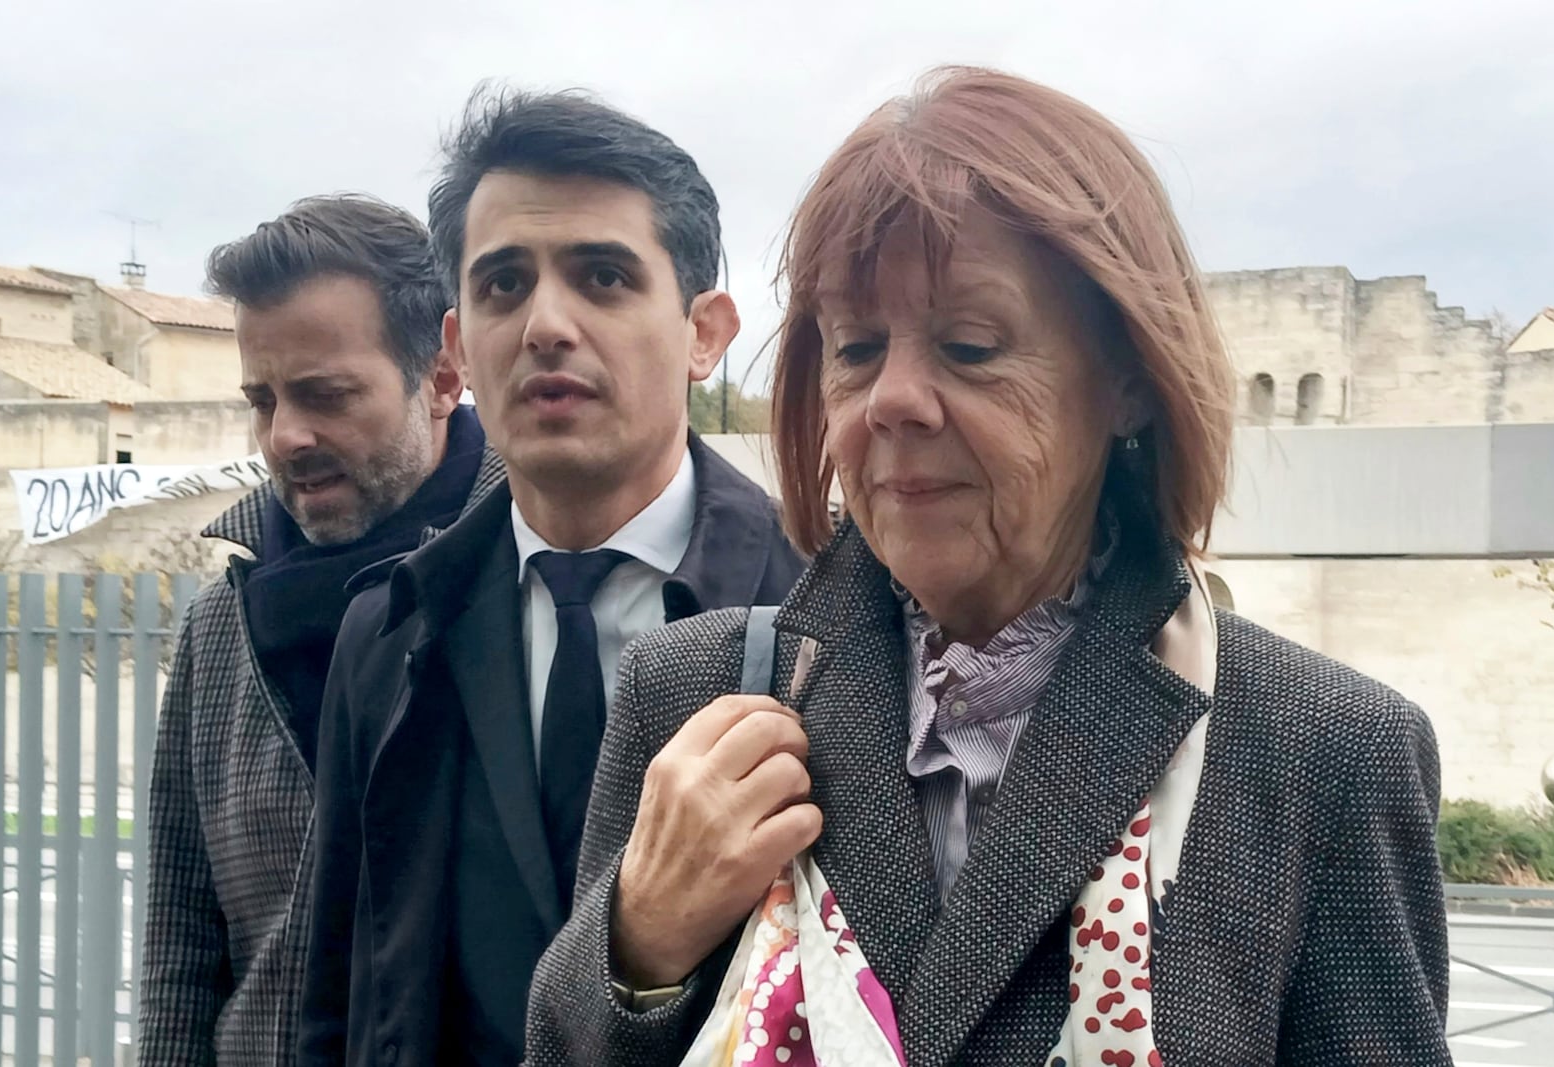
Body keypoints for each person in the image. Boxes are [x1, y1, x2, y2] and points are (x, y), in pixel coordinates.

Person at [524, 67, 1452, 1066]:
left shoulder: (1317, 750)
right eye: (857, 347)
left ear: (1129, 380)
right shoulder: (696, 698)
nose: (893, 399)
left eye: (969, 345)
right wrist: (640, 948)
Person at [296, 89, 805, 1066]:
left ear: (704, 332)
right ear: (456, 348)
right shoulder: (392, 628)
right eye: (502, 285)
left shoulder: (818, 618)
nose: (545, 324)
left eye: (604, 276)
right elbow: (339, 984)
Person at [139, 195, 503, 1067]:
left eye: (326, 394)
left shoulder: (527, 577)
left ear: (444, 376)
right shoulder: (222, 624)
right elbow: (181, 947)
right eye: (262, 400)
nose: (286, 435)